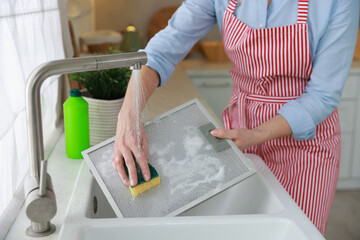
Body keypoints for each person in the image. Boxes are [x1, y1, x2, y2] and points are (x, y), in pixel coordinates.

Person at [112, 0, 359, 234]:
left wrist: (258, 134)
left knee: (295, 232)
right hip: (240, 136)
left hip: (306, 150)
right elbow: (161, 51)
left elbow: (322, 96)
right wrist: (129, 114)